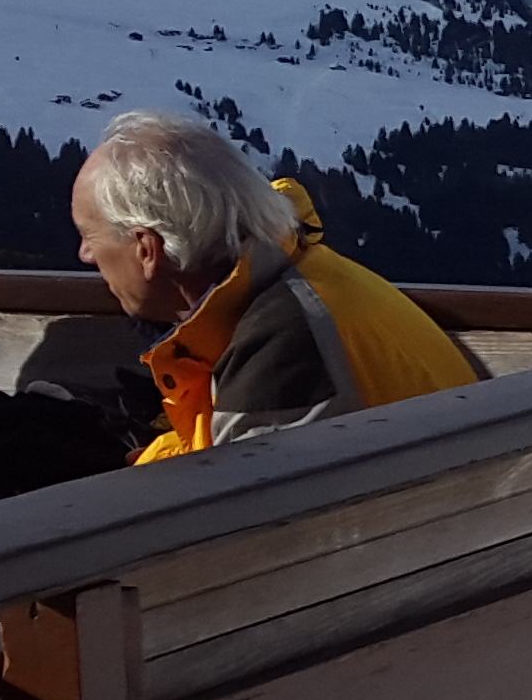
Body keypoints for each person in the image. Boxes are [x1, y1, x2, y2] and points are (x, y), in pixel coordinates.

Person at [70, 110, 484, 461]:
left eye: (89, 236)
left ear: (147, 249)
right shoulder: (307, 277)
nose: (85, 255)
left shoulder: (282, 349)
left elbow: (240, 517)